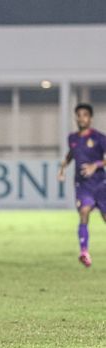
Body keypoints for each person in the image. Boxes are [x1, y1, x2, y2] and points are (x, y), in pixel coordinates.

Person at [58, 103, 106, 267]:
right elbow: (72, 153)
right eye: (79, 115)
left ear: (90, 118)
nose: (81, 118)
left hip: (100, 184)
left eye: (85, 115)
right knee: (84, 212)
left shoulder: (99, 137)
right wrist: (63, 167)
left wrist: (96, 165)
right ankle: (84, 252)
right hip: (83, 185)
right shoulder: (72, 138)